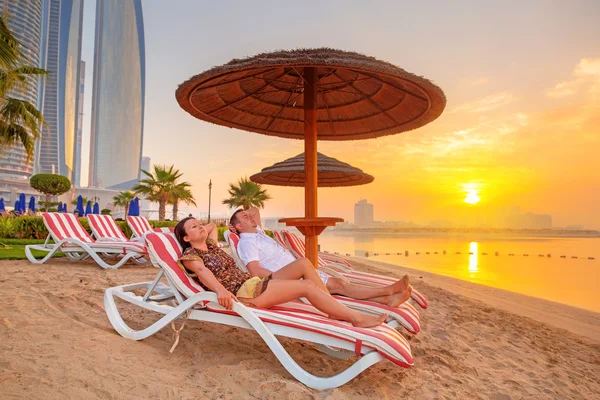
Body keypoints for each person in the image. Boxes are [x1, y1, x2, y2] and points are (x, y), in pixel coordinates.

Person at [174, 217, 388, 328]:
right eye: (193, 228)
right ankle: (355, 317)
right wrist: (221, 291)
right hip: (246, 295)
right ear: (186, 239)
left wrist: (198, 226)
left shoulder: (210, 245)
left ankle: (334, 309)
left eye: (199, 224)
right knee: (306, 286)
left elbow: (211, 227)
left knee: (304, 263)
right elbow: (202, 272)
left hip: (254, 282)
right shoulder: (191, 255)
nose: (201, 227)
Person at [230, 208, 412, 308]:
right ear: (239, 225)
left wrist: (243, 217)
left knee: (339, 285)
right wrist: (286, 278)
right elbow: (254, 270)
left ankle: (386, 300)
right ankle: (386, 292)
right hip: (289, 276)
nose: (250, 216)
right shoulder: (247, 242)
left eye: (248, 215)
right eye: (245, 217)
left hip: (298, 272)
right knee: (340, 286)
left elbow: (254, 210)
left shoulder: (258, 233)